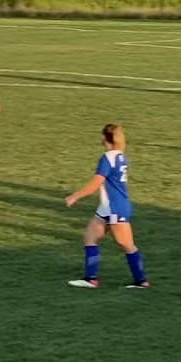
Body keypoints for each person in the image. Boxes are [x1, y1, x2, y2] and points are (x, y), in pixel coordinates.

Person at [64, 124, 149, 289]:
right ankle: (91, 279)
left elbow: (96, 184)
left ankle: (141, 281)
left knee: (126, 244)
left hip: (114, 207)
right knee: (90, 237)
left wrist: (74, 196)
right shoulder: (121, 156)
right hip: (108, 207)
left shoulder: (107, 158)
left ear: (105, 138)